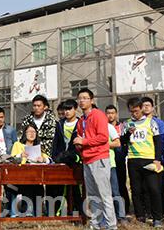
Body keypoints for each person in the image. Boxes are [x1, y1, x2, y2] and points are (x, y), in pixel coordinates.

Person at [73, 88, 117, 230]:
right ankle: (96, 224)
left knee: (105, 195)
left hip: (99, 158)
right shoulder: (81, 121)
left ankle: (111, 225)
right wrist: (79, 145)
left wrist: (84, 142)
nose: (82, 100)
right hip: (87, 160)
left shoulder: (98, 115)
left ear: (91, 101)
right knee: (92, 195)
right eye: (80, 98)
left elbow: (103, 137)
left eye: (85, 98)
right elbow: (83, 139)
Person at [121, 97, 163, 228]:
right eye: (132, 111)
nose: (134, 114)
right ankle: (140, 216)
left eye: (136, 111)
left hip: (149, 159)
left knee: (154, 189)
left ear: (141, 109)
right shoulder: (127, 123)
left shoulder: (151, 122)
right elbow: (123, 141)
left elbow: (158, 142)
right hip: (133, 160)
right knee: (136, 190)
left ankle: (157, 218)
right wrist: (128, 134)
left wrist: (157, 159)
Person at [21, 94, 62, 216]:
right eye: (34, 105)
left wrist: (51, 158)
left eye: (39, 105)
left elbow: (57, 142)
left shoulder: (53, 122)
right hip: (30, 158)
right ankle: (30, 211)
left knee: (51, 187)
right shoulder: (27, 120)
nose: (36, 108)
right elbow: (23, 138)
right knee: (30, 185)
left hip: (47, 158)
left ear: (45, 107)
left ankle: (51, 212)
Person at [10, 124, 49, 217]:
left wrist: (43, 159)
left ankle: (35, 213)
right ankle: (27, 212)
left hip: (35, 176)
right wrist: (20, 155)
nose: (32, 134)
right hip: (19, 176)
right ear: (24, 133)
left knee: (38, 188)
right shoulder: (18, 145)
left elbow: (48, 159)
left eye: (34, 132)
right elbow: (12, 159)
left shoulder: (38, 147)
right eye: (29, 132)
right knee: (28, 185)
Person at [52, 99, 83, 217]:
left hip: (74, 159)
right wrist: (55, 156)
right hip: (61, 159)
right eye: (65, 109)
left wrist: (77, 156)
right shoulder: (59, 124)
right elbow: (56, 142)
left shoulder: (80, 123)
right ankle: (56, 212)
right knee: (58, 187)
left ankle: (77, 212)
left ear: (75, 109)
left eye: (69, 109)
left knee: (75, 188)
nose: (67, 112)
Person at [141, 96, 164, 218]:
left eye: (148, 105)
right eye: (143, 105)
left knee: (159, 187)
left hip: (157, 159)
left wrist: (159, 158)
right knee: (145, 188)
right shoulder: (138, 123)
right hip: (143, 159)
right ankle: (148, 212)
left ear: (152, 108)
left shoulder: (159, 123)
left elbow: (161, 141)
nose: (145, 107)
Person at [105, 104, 130, 216]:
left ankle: (125, 209)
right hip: (109, 159)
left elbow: (125, 140)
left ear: (116, 114)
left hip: (119, 159)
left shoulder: (122, 126)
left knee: (121, 185)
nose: (110, 115)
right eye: (108, 113)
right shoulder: (104, 127)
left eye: (112, 113)